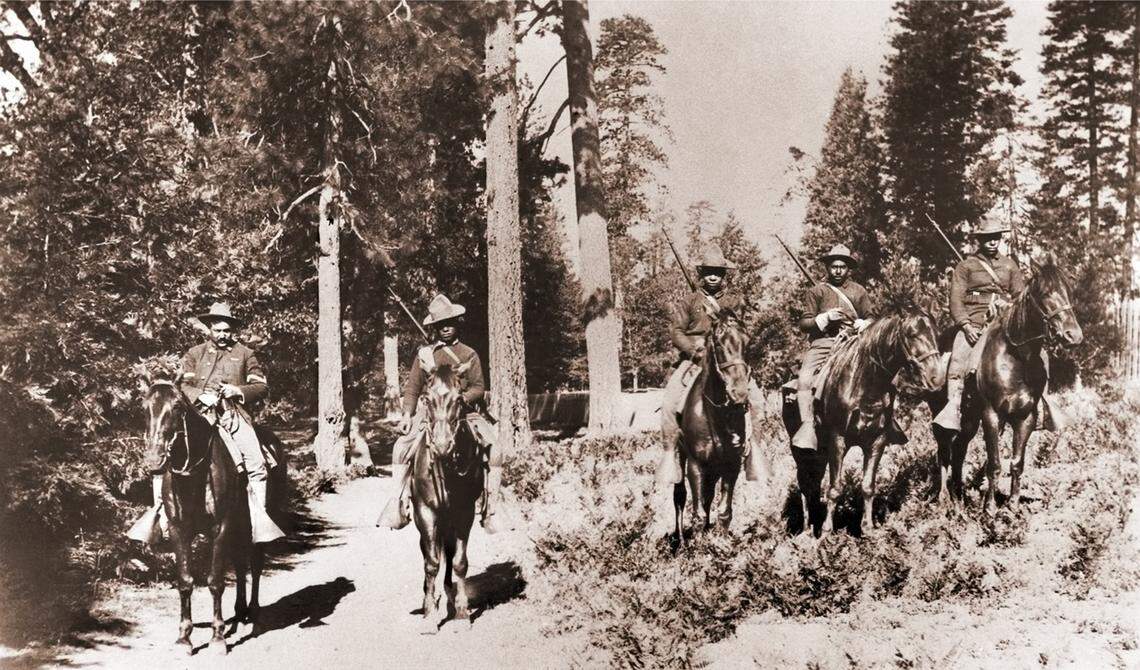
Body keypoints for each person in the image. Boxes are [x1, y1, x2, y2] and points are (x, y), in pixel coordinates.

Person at [377, 294, 511, 533]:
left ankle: (492, 509)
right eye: (440, 325)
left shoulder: (469, 354)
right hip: (430, 413)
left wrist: (459, 399)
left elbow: (478, 387)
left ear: (457, 323)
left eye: (449, 323)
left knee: (495, 450)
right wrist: (407, 415)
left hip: (464, 412)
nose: (445, 328)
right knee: (400, 447)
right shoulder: (425, 355)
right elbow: (413, 388)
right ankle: (398, 503)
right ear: (435, 327)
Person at [933, 216, 1062, 432]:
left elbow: (1021, 298)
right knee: (959, 357)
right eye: (988, 238)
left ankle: (1043, 406)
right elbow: (955, 301)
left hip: (1005, 323)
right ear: (979, 240)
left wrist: (1007, 304)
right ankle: (953, 407)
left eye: (996, 237)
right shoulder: (966, 267)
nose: (993, 241)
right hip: (975, 321)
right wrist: (966, 326)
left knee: (1042, 356)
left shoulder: (1009, 266)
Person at [657, 246, 769, 488]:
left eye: (717, 272)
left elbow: (742, 330)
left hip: (726, 357)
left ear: (724, 274)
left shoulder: (735, 301)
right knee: (670, 401)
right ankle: (669, 453)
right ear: (702, 273)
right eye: (708, 271)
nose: (713, 276)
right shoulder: (689, 301)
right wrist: (693, 348)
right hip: (695, 359)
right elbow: (676, 331)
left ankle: (754, 450)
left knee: (757, 401)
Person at [791, 244, 875, 451]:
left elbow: (872, 317)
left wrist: (864, 323)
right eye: (834, 267)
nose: (838, 271)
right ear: (828, 267)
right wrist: (825, 318)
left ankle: (886, 422)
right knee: (804, 379)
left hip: (853, 343)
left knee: (879, 375)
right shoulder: (816, 291)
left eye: (842, 267)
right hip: (824, 342)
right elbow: (804, 323)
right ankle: (807, 426)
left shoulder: (859, 291)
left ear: (848, 269)